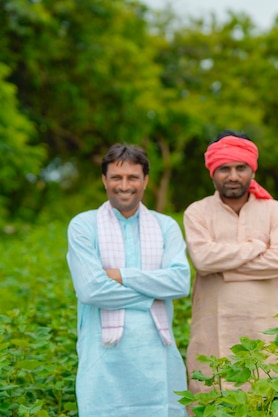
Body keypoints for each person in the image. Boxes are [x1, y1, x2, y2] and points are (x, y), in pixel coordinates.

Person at [66, 144, 190, 417]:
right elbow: (92, 290)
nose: (124, 185)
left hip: (157, 358)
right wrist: (153, 293)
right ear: (104, 180)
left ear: (145, 180)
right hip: (103, 360)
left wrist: (122, 275)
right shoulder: (83, 226)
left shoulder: (165, 226)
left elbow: (180, 283)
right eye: (116, 178)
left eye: (133, 177)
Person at [184, 130, 278, 393]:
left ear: (252, 171)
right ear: (212, 172)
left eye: (240, 168)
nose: (233, 176)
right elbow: (203, 259)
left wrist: (224, 267)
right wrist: (257, 246)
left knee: (266, 400)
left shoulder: (273, 210)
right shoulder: (197, 212)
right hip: (213, 336)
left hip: (265, 335)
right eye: (224, 168)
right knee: (212, 400)